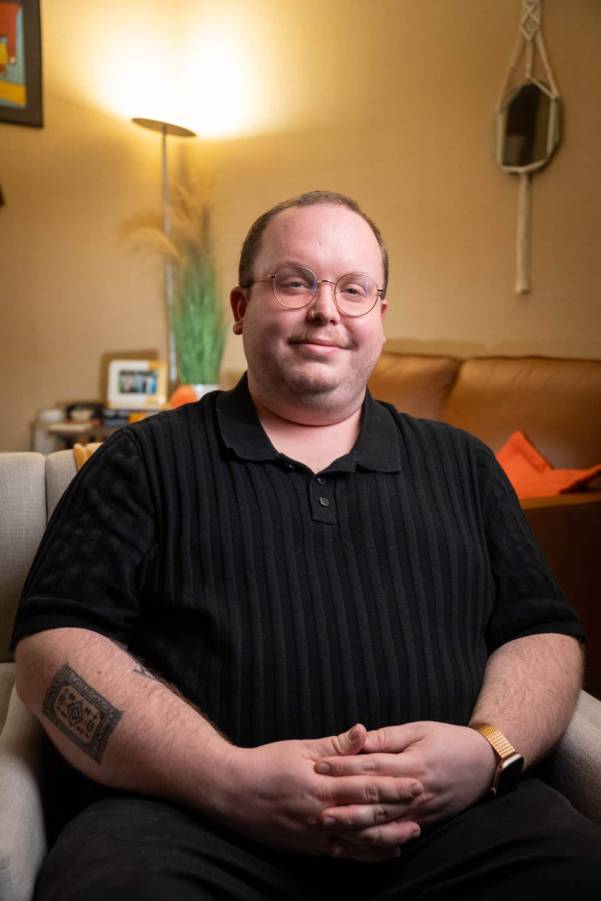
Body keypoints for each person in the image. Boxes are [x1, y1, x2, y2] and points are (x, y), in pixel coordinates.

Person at [11, 191, 601, 900]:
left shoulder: (464, 465)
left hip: (456, 826)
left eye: (353, 289)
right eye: (295, 282)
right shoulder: (141, 460)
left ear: (380, 315)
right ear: (240, 307)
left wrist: (487, 750)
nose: (326, 309)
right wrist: (226, 779)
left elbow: (543, 632)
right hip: (187, 825)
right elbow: (52, 651)